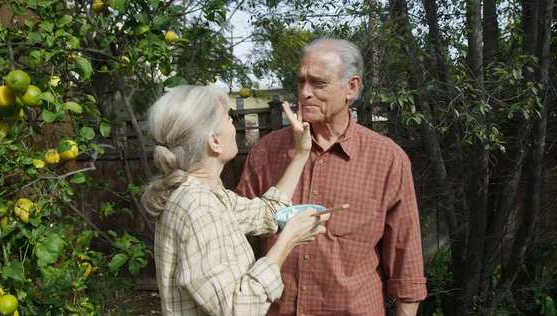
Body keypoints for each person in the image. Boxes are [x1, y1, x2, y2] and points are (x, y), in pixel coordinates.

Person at [236, 38, 427, 315]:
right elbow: (234, 233)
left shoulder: (388, 160)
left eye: (318, 83)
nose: (305, 92)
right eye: (301, 82)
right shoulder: (268, 152)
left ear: (351, 87)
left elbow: (405, 259)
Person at [141, 85, 331, 316]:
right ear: (215, 142)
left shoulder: (204, 194)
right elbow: (237, 309)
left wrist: (301, 153)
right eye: (227, 118)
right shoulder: (199, 208)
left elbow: (267, 213)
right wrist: (288, 241)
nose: (234, 123)